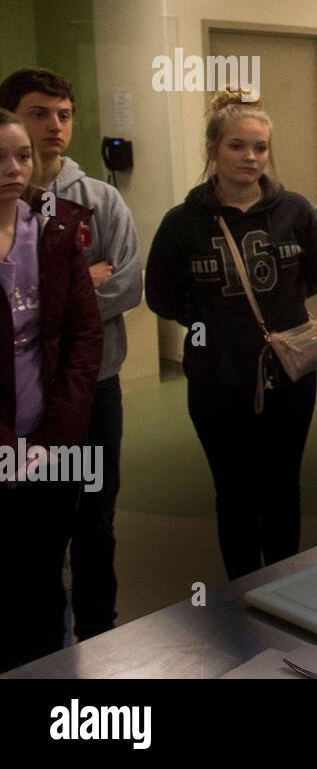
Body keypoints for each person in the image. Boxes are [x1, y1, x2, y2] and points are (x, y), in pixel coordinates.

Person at [145, 92, 317, 581]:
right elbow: (161, 296)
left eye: (260, 147)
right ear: (213, 148)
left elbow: (313, 277)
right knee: (234, 488)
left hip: (289, 372)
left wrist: (274, 322)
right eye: (237, 146)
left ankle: (284, 584)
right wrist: (216, 330)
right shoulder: (182, 223)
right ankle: (242, 588)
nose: (250, 157)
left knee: (284, 483)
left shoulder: (295, 210)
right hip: (216, 378)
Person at [0, 68, 142, 642]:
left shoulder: (98, 200)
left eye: (64, 115)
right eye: (39, 114)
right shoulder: (19, 209)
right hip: (23, 402)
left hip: (96, 386)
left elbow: (127, 284)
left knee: (94, 516)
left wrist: (63, 298)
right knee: (34, 528)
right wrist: (76, 286)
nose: (54, 127)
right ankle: (40, 634)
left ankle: (97, 629)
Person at [0, 108, 103, 672]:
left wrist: (56, 436)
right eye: (0, 158)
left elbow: (84, 337)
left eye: (22, 156)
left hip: (49, 437)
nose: (15, 169)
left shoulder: (57, 226)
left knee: (45, 572)